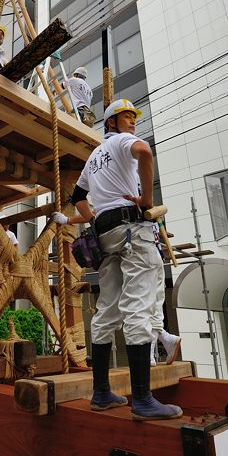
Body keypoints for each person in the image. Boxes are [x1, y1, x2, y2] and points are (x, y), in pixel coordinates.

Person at [63, 98, 183, 419]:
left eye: (132, 117)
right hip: (132, 226)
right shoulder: (121, 142)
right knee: (139, 303)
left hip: (106, 233)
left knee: (107, 308)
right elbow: (144, 151)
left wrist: (91, 219)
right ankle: (142, 398)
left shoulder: (94, 156)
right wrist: (147, 199)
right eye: (125, 117)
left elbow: (77, 197)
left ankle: (101, 391)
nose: (132, 121)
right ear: (112, 124)